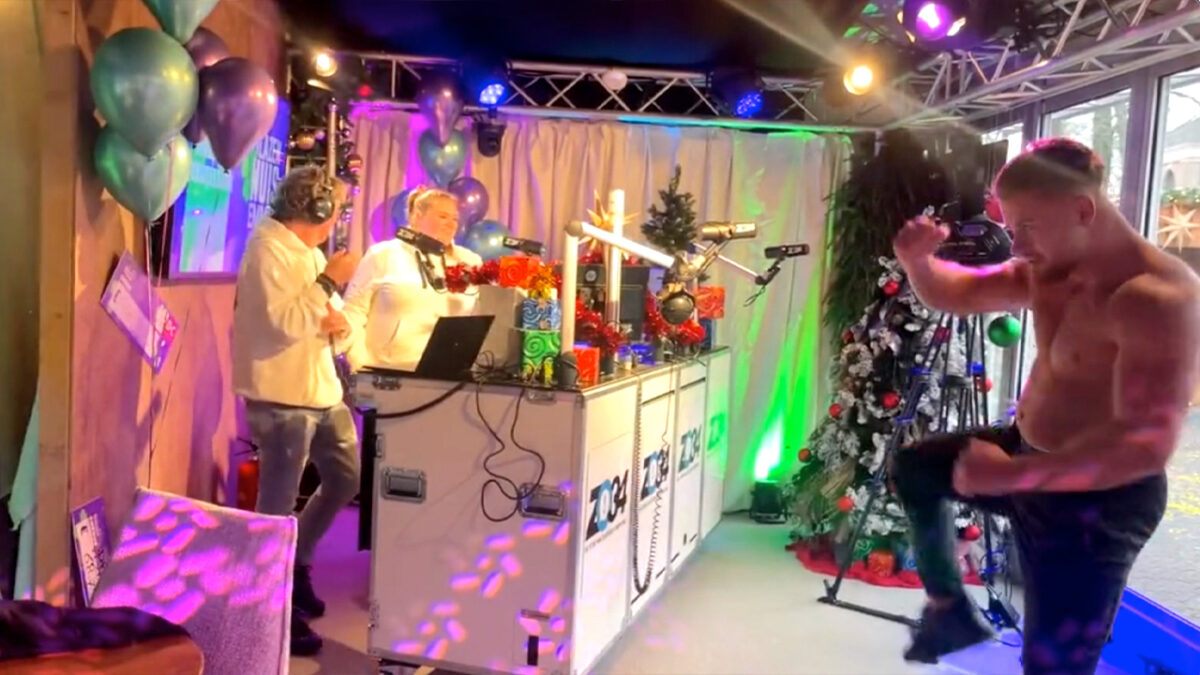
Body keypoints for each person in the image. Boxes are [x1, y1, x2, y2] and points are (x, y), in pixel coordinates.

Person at [890, 137, 1200, 674]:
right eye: (1013, 228)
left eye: (1027, 227)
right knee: (917, 468)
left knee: (1052, 667)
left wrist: (1012, 476)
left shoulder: (1154, 297)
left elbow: (1145, 448)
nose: (1018, 245)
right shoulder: (1051, 268)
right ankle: (950, 611)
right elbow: (957, 293)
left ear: (1082, 209)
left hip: (1099, 504)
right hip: (1025, 457)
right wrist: (917, 262)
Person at [231, 165, 362, 656]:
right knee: (275, 509)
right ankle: (269, 609)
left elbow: (324, 318)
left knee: (346, 479)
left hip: (321, 390)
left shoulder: (309, 252)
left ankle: (297, 564)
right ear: (319, 208)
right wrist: (328, 281)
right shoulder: (266, 250)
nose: (337, 218)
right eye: (336, 209)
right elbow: (283, 323)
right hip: (282, 398)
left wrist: (339, 324)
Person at [343, 187, 483, 370]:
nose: (451, 224)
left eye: (455, 219)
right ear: (417, 217)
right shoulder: (383, 254)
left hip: (449, 374)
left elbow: (479, 315)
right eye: (443, 217)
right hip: (387, 373)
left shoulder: (469, 261)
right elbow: (353, 311)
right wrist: (357, 363)